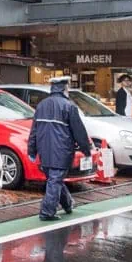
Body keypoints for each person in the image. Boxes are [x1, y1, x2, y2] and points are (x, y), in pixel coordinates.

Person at [28, 77, 91, 222]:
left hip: (44, 151)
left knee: (54, 179)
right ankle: (47, 212)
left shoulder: (41, 105)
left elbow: (34, 131)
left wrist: (32, 151)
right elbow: (79, 131)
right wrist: (86, 150)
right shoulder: (69, 106)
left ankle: (68, 204)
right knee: (55, 180)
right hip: (62, 151)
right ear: (64, 89)